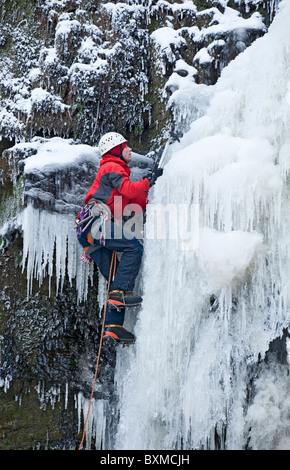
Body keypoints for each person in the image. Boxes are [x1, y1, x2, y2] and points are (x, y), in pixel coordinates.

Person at [76, 132, 162, 343]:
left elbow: (134, 201)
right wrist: (147, 181)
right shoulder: (111, 166)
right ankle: (119, 296)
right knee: (134, 248)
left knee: (117, 279)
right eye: (126, 147)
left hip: (87, 234)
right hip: (95, 221)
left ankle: (113, 327)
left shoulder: (113, 182)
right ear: (116, 151)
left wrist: (149, 188)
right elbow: (129, 189)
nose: (130, 149)